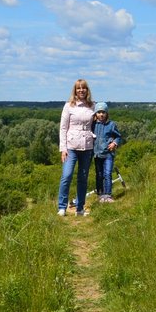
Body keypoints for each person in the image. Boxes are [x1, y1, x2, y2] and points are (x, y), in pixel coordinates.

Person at [57, 79, 95, 216]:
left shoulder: (92, 106)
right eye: (78, 88)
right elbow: (63, 128)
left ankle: (80, 208)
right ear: (75, 91)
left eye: (83, 88)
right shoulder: (68, 106)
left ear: (87, 90)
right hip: (71, 146)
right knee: (66, 175)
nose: (81, 91)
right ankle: (62, 207)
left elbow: (97, 124)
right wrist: (63, 149)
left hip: (87, 146)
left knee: (83, 178)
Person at [91, 102, 122, 203]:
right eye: (99, 112)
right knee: (99, 174)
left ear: (107, 114)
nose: (101, 114)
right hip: (97, 154)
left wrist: (114, 143)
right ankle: (100, 194)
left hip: (108, 154)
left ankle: (108, 195)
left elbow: (118, 136)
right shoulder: (93, 125)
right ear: (95, 114)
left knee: (107, 174)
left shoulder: (111, 125)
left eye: (103, 112)